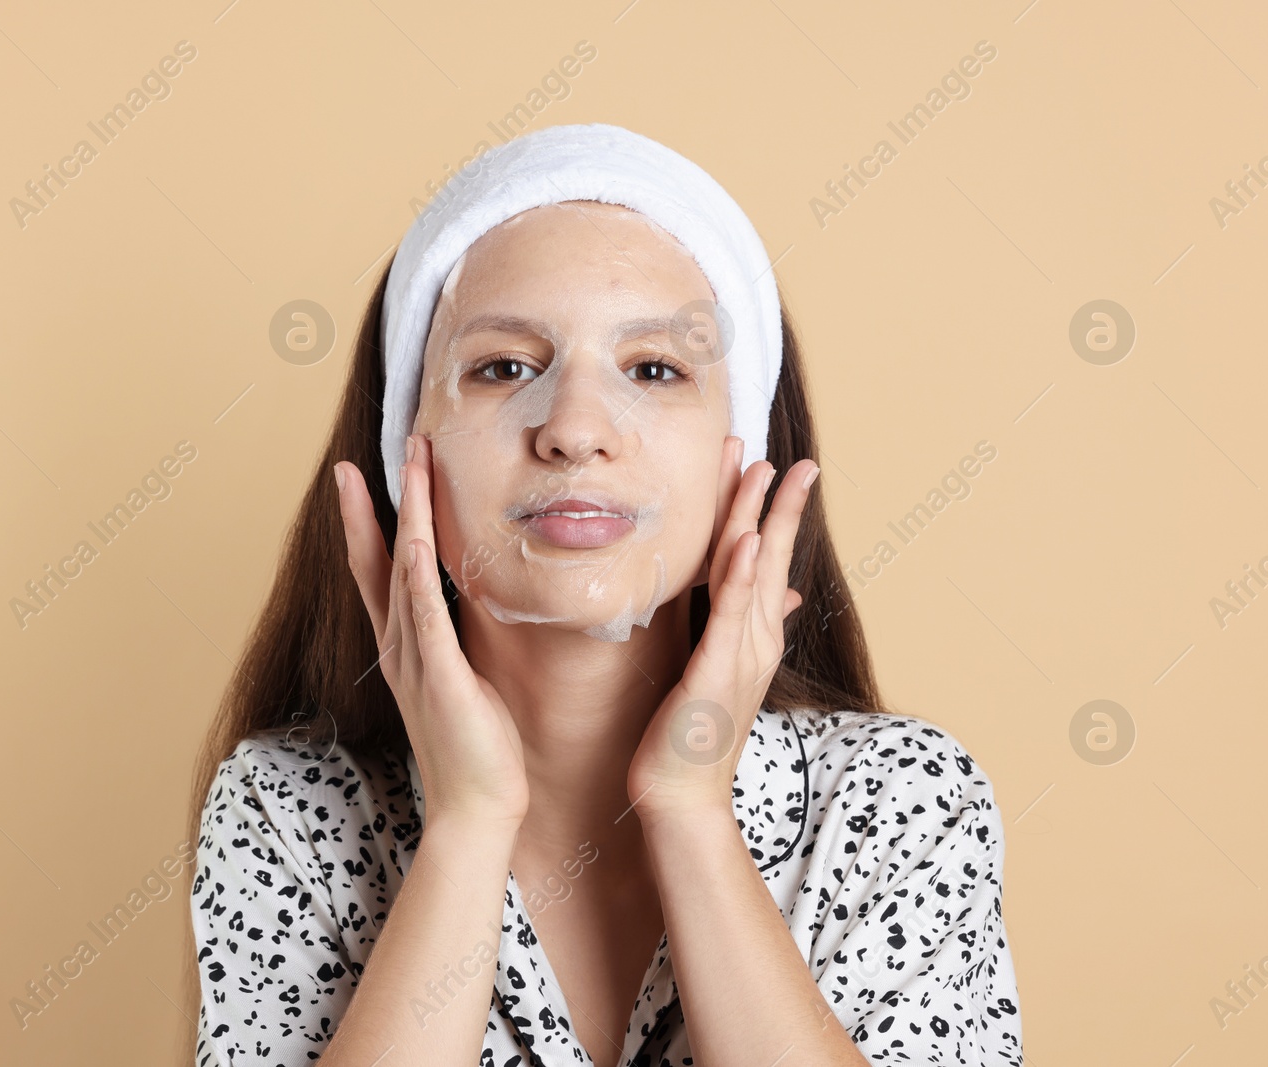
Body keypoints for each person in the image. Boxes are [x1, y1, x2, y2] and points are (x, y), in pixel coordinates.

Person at [187, 123, 1022, 1067]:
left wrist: (692, 805)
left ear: (741, 461)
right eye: (502, 367)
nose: (577, 429)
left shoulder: (897, 802)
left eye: (655, 370)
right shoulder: (289, 813)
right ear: (401, 453)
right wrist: (466, 822)